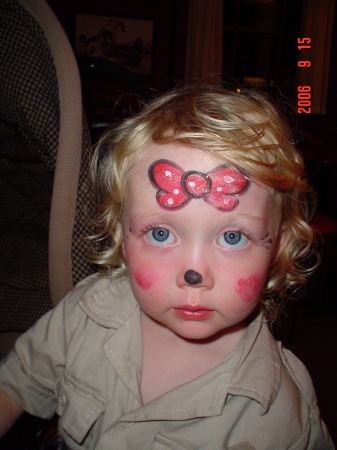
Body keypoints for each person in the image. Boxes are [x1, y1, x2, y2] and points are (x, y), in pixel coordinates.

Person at [0, 85, 334, 449]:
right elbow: (14, 385)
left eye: (233, 238)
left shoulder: (279, 413)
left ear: (278, 248)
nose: (194, 274)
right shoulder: (84, 314)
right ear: (122, 237)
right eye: (160, 233)